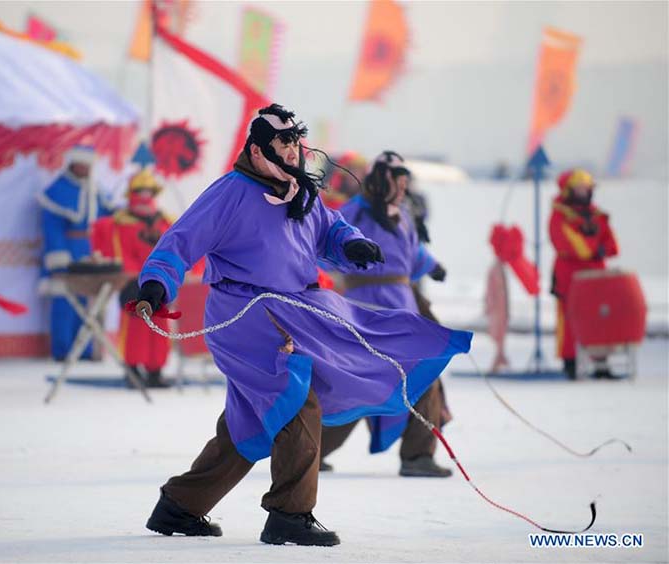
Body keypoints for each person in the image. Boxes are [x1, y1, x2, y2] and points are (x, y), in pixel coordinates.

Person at [133, 105, 471, 546]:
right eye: (283, 142)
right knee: (294, 396)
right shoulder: (231, 192)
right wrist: (157, 282)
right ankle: (289, 515)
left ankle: (180, 505)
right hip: (247, 313)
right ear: (258, 150)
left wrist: (352, 244)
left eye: (296, 140)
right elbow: (180, 241)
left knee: (251, 420)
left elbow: (330, 229)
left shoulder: (300, 192)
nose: (293, 149)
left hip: (297, 308)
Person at [319, 151, 452, 478]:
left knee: (424, 374)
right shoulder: (353, 212)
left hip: (403, 309)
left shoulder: (403, 214)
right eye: (398, 181)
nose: (404, 187)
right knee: (357, 386)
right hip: (364, 311)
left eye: (406, 182)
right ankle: (311, 451)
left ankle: (418, 454)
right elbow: (323, 240)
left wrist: (432, 266)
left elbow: (414, 251)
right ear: (382, 179)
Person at [91, 169, 173, 388]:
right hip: (134, 283)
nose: (145, 196)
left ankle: (155, 372)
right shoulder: (120, 223)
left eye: (149, 192)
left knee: (159, 327)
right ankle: (133, 371)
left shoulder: (164, 221)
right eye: (140, 191)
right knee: (136, 330)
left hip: (160, 282)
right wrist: (137, 274)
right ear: (132, 194)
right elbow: (122, 255)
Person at [37, 145, 114, 361]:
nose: (84, 169)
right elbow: (52, 228)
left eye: (87, 165)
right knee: (65, 301)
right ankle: (63, 350)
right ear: (72, 164)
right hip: (68, 252)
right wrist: (59, 257)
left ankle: (87, 350)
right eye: (81, 165)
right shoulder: (57, 192)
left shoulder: (97, 190)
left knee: (90, 303)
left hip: (92, 253)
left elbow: (107, 219)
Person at [549, 168, 619, 379]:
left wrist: (598, 249)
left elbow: (612, 245)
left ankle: (601, 364)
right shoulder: (560, 215)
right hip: (569, 278)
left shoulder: (597, 215)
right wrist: (595, 248)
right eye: (580, 187)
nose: (584, 191)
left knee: (600, 318)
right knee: (569, 319)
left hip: (596, 278)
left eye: (586, 187)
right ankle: (570, 363)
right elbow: (572, 246)